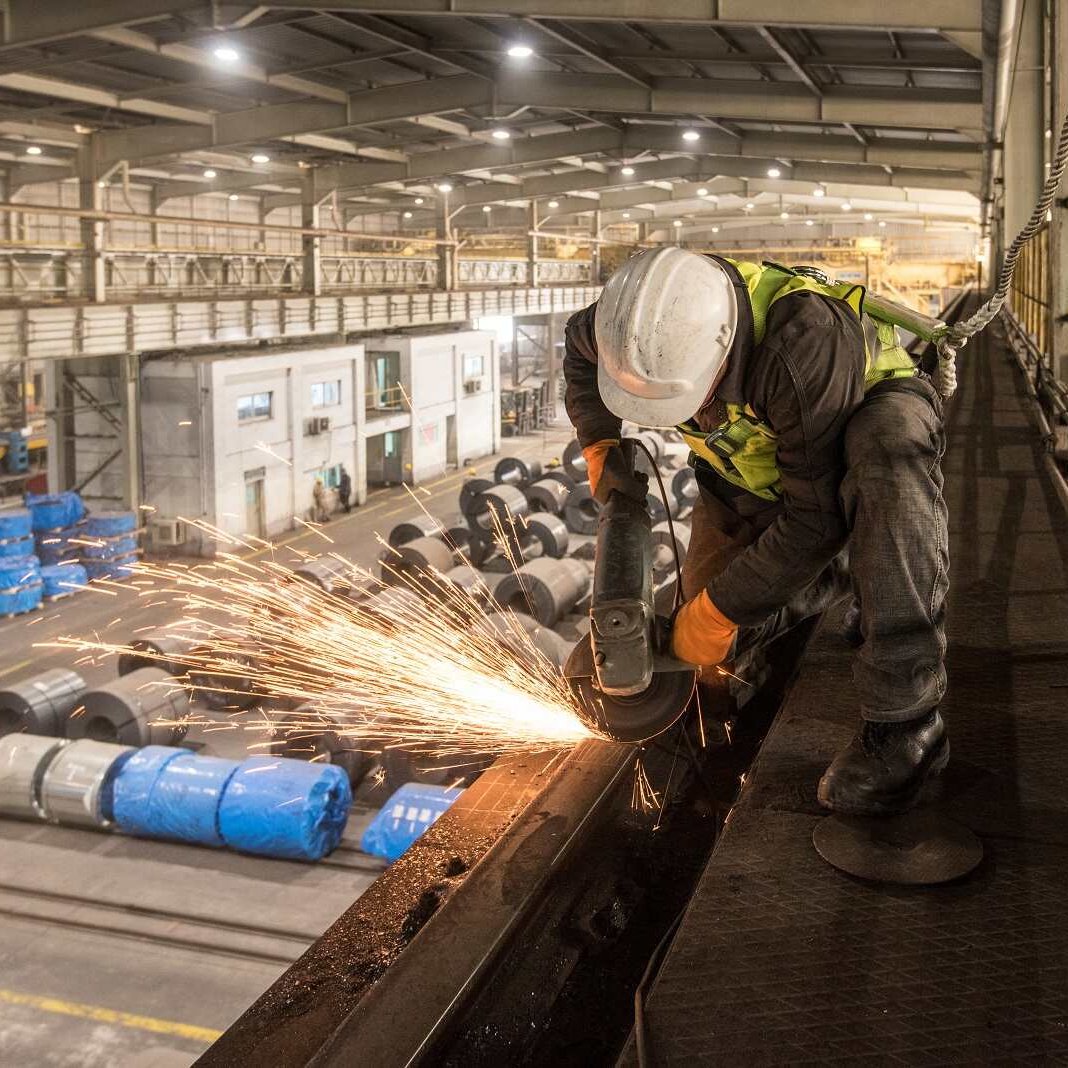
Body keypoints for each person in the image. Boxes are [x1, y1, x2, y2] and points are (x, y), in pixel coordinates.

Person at [564, 248, 949, 817]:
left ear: (721, 353)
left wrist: (722, 610)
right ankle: (829, 582)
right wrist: (603, 448)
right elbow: (579, 356)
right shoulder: (625, 325)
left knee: (886, 459)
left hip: (856, 428)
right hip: (750, 462)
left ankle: (907, 724)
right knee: (704, 633)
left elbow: (814, 517)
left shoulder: (802, 344)